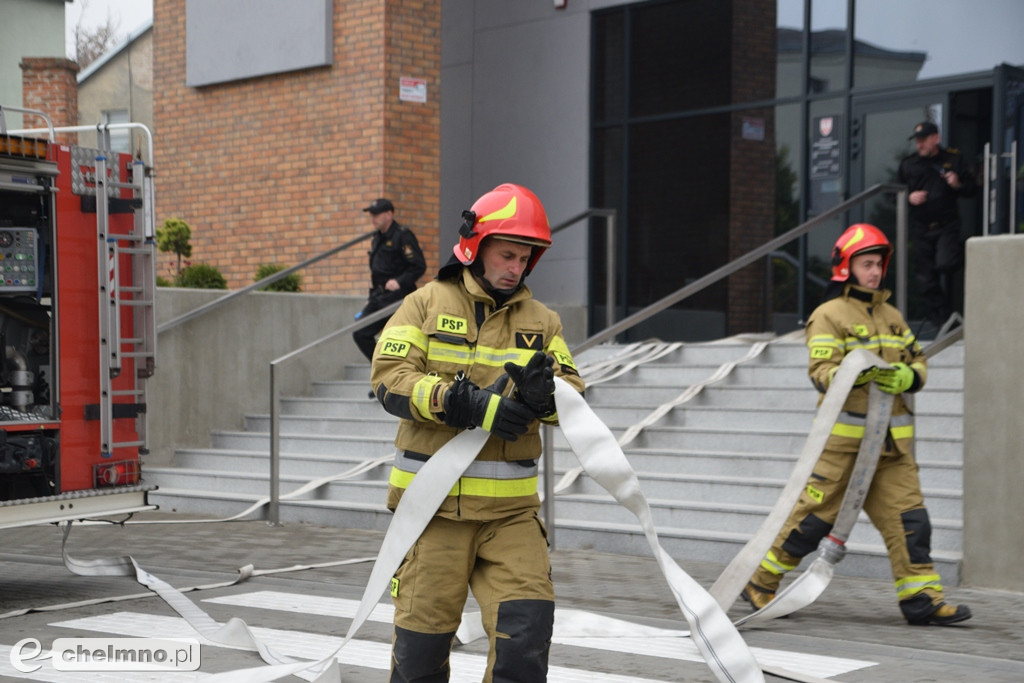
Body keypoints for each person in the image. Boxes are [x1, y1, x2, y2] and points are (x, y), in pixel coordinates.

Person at [370, 183, 586, 682]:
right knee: (420, 660)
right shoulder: (424, 304)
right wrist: (460, 401)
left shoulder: (544, 322)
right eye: (506, 254)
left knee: (525, 645)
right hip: (432, 513)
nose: (516, 266)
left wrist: (544, 396)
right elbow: (388, 379)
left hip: (510, 518)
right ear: (474, 247)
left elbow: (574, 397)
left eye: (524, 257)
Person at [741, 223, 971, 627]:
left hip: (891, 447)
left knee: (912, 523)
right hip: (842, 448)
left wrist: (908, 377)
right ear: (845, 267)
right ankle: (760, 581)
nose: (875, 272)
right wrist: (857, 373)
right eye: (867, 263)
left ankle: (922, 598)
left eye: (879, 264)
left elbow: (918, 363)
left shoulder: (893, 316)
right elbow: (820, 372)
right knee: (810, 523)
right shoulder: (828, 316)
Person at [896, 121, 976, 330]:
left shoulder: (953, 158)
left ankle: (969, 254)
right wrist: (908, 197)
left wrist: (957, 184)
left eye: (923, 140)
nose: (919, 145)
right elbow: (894, 194)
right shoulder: (908, 164)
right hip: (920, 228)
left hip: (946, 226)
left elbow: (972, 189)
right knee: (926, 281)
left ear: (936, 139)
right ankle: (945, 322)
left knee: (946, 263)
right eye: (917, 141)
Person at [353, 198, 426, 362]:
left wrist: (399, 281)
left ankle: (387, 375)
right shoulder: (377, 237)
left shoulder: (403, 235)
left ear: (389, 214)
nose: (373, 219)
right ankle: (382, 373)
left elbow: (418, 266)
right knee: (360, 332)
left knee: (391, 339)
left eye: (376, 215)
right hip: (379, 297)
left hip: (397, 298)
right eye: (371, 215)